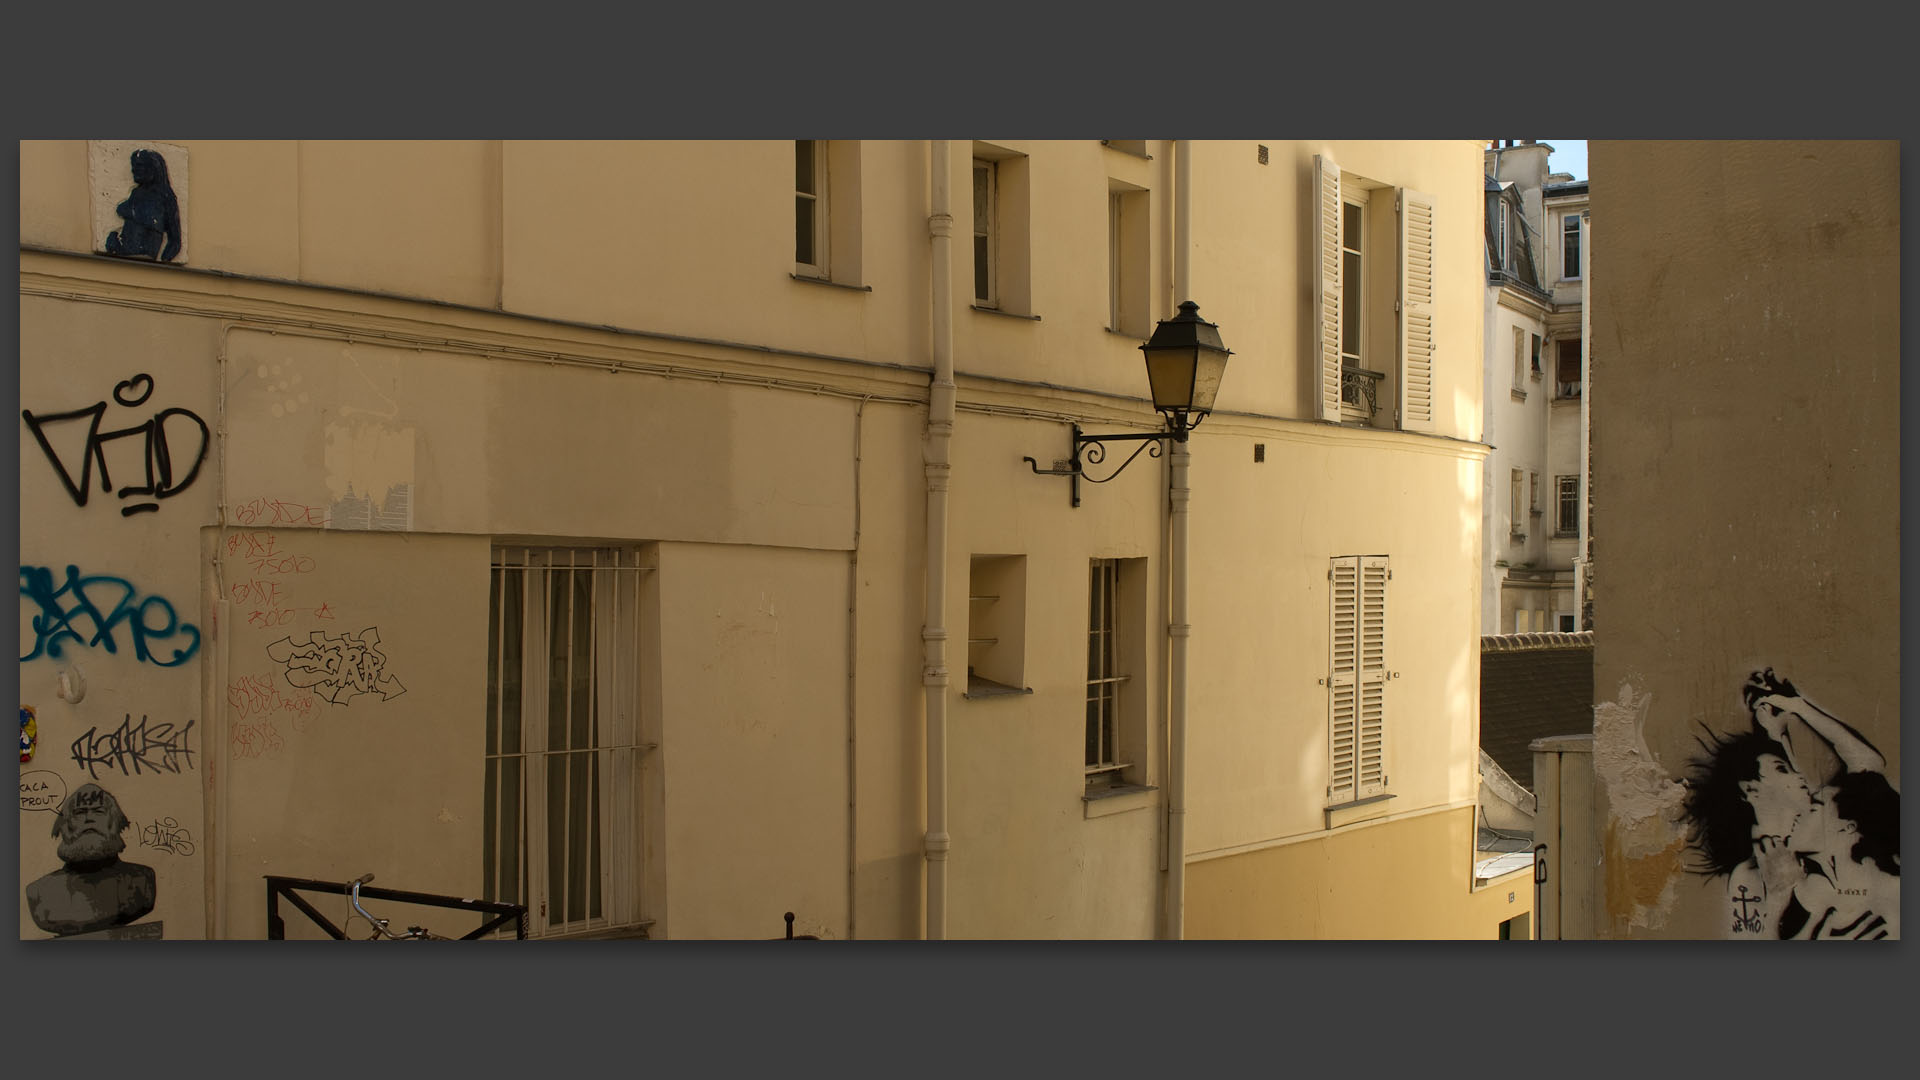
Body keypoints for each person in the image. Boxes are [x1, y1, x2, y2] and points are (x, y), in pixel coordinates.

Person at [1744, 669, 1899, 939]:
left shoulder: (1891, 891)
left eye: (1813, 807)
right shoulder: (1810, 888)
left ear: (1847, 828)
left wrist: (1796, 707)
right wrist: (1787, 723)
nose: (1800, 810)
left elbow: (1867, 766)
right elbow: (1865, 769)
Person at [23, 783, 157, 936]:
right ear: (66, 825)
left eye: (99, 812)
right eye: (79, 813)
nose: (89, 819)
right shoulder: (39, 892)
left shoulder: (142, 879)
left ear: (114, 821)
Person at [104, 149, 182, 263]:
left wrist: (164, 262)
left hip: (146, 254)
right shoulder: (137, 193)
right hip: (126, 251)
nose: (134, 169)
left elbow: (175, 240)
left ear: (153, 168)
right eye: (133, 165)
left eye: (139, 165)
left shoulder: (165, 196)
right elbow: (123, 209)